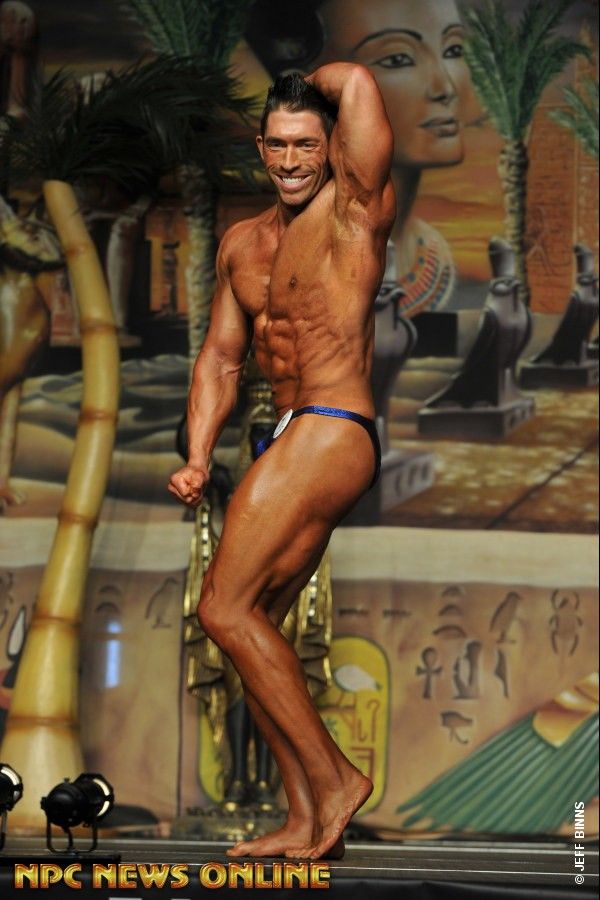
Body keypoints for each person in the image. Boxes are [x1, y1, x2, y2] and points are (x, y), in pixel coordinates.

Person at [168, 65, 394, 859]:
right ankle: (305, 816)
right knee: (251, 626)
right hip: (298, 429)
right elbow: (220, 360)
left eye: (307, 144)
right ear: (259, 148)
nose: (292, 160)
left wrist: (309, 82)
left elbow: (358, 82)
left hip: (333, 424)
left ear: (333, 148)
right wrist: (198, 456)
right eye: (278, 145)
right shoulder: (243, 245)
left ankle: (337, 780)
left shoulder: (354, 209)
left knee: (221, 610)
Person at [246, 0, 475, 315]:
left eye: (453, 50)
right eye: (397, 58)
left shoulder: (431, 252)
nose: (445, 87)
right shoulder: (264, 254)